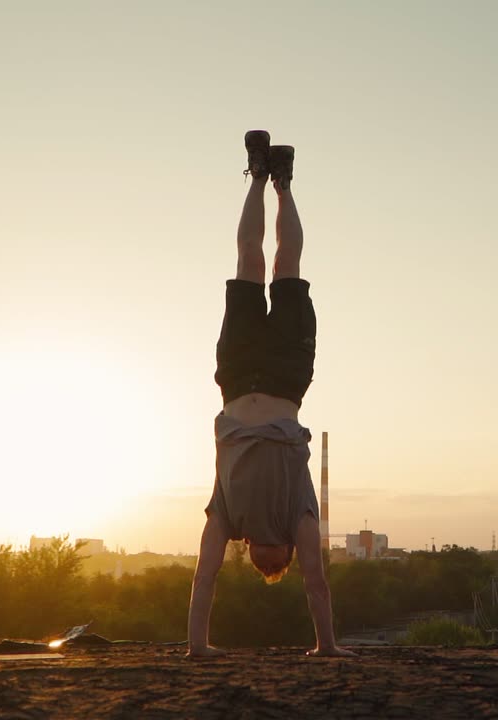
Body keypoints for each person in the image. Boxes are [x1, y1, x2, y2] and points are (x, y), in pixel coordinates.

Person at [186, 131, 355, 658]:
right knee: (282, 269)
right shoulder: (296, 518)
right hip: (279, 381)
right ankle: (278, 182)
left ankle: (261, 174)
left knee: (251, 266)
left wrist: (198, 648)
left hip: (240, 379)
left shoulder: (231, 519)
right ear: (281, 552)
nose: (265, 556)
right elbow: (316, 582)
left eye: (263, 561)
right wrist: (326, 647)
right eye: (272, 561)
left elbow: (205, 577)